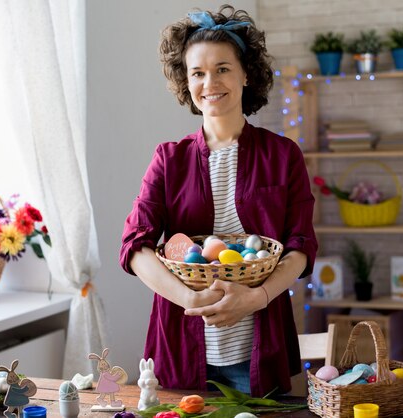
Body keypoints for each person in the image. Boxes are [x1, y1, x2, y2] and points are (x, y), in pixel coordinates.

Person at [119, 4, 317, 397]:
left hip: (258, 351)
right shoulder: (168, 159)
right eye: (198, 72)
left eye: (223, 68)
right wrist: (190, 298)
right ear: (186, 82)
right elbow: (134, 247)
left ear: (246, 74)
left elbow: (301, 246)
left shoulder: (283, 155)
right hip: (180, 350)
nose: (210, 82)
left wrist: (255, 297)